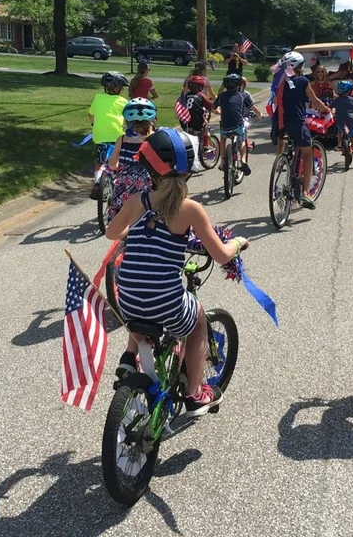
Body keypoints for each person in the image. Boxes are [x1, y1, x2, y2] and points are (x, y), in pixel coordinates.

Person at [107, 128, 249, 416]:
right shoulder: (190, 209)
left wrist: (132, 233)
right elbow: (220, 254)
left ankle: (129, 356)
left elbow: (112, 232)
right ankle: (196, 394)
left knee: (141, 291)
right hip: (165, 301)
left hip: (127, 299)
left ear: (148, 168)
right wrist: (237, 242)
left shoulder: (137, 201)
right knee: (196, 319)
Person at [274, 51, 331, 210]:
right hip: (296, 122)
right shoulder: (303, 80)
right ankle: (306, 192)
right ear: (299, 66)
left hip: (279, 122)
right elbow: (315, 101)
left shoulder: (278, 80)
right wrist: (327, 110)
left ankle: (281, 161)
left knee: (283, 141)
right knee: (308, 153)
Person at [106, 99, 157, 223]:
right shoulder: (154, 139)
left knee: (123, 224)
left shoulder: (122, 140)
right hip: (147, 188)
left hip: (124, 189)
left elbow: (112, 165)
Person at [88, 71, 129, 200]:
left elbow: (91, 114)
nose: (122, 90)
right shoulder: (123, 102)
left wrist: (94, 125)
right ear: (116, 88)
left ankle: (97, 183)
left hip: (100, 136)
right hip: (117, 136)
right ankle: (117, 184)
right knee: (118, 160)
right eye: (122, 88)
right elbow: (128, 119)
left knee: (100, 162)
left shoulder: (98, 98)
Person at [217, 73, 257, 176]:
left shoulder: (221, 96)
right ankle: (243, 161)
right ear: (239, 85)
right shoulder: (243, 96)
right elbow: (254, 109)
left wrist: (220, 110)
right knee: (242, 141)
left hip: (225, 127)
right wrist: (260, 115)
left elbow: (213, 107)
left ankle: (222, 162)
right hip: (238, 126)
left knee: (222, 140)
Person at [331, 80, 353, 155]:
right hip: (350, 119)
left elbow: (331, 107)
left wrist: (332, 112)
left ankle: (339, 145)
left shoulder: (337, 100)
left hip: (340, 119)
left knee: (339, 131)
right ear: (350, 91)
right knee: (352, 132)